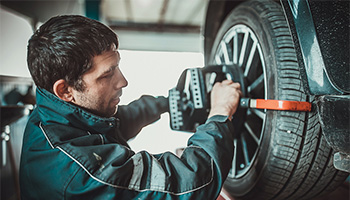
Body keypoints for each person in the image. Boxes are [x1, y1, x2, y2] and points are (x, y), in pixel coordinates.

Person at [19, 15, 242, 200]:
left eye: (117, 67)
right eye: (107, 75)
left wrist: (165, 102)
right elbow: (193, 184)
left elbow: (120, 121)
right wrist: (220, 112)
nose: (123, 81)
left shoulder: (53, 115)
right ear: (66, 91)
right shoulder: (83, 175)